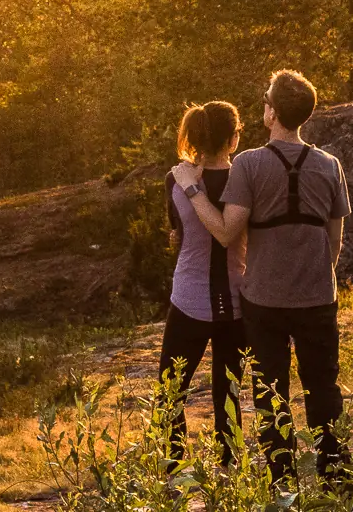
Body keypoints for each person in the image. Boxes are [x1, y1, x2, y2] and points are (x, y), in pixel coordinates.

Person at [174, 69, 349, 483]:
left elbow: (224, 231)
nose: (264, 106)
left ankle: (282, 482)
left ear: (272, 114)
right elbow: (334, 244)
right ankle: (336, 478)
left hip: (264, 302)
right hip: (318, 298)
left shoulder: (250, 165)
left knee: (272, 396)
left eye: (266, 100)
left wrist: (192, 189)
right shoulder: (330, 165)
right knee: (323, 390)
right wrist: (312, 281)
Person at [158, 100, 247, 466]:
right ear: (234, 138)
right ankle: (229, 471)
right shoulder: (245, 180)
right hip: (238, 302)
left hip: (188, 301)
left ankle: (173, 470)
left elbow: (177, 235)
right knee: (227, 393)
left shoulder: (175, 180)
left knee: (170, 392)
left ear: (194, 137)